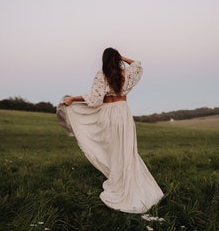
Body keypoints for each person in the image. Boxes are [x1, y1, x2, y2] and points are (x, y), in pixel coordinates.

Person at [56, 47, 164, 213]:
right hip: (123, 111)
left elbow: (94, 98)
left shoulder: (102, 74)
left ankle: (119, 179)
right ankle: (127, 179)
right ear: (117, 58)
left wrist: (72, 98)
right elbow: (137, 65)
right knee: (126, 149)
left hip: (108, 112)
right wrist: (122, 57)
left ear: (104, 60)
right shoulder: (126, 74)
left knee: (113, 149)